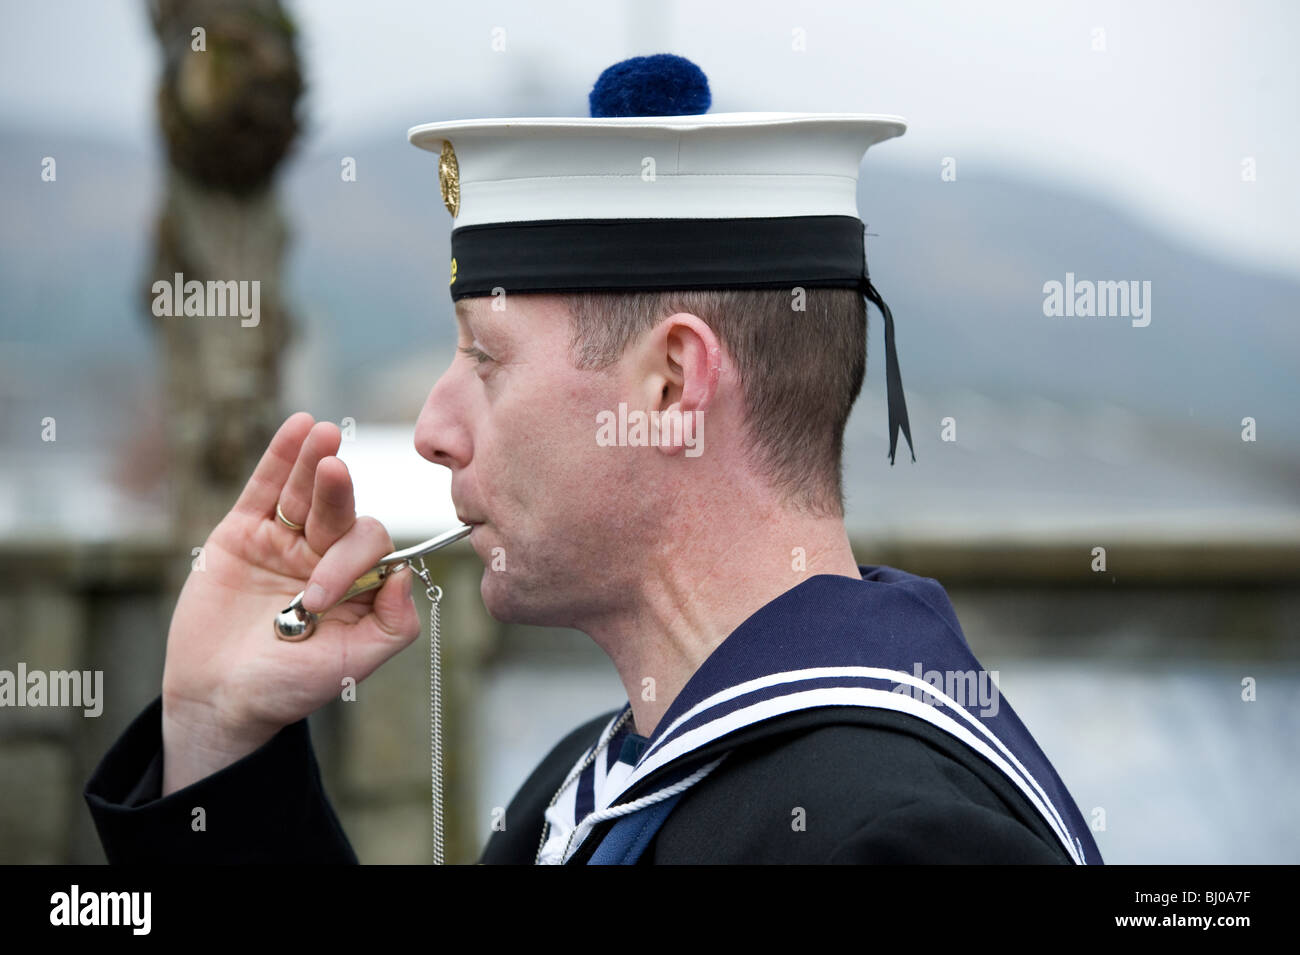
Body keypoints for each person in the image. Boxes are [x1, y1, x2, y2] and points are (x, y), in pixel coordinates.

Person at [85, 54, 1103, 865]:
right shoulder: (586, 785)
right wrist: (221, 737)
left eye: (485, 357)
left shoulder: (894, 840)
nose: (435, 427)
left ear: (668, 384)